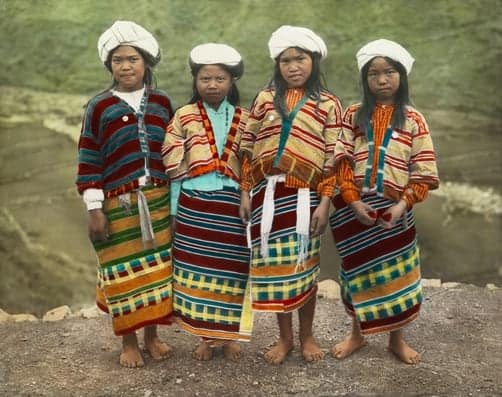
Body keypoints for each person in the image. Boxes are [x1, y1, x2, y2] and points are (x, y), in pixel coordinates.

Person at [329, 39, 439, 364]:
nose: (381, 80)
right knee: (355, 274)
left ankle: (396, 339)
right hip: (354, 211)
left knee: (397, 276)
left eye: (389, 72)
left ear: (401, 76)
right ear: (365, 79)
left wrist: (402, 205)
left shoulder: (414, 120)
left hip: (396, 210)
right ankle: (356, 335)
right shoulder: (352, 115)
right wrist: (351, 200)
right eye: (373, 74)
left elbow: (422, 172)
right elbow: (341, 161)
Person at [239, 25, 343, 364]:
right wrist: (244, 193)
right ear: (277, 64)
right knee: (275, 268)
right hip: (267, 194)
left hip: (306, 198)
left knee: (304, 266)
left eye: (300, 59)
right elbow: (247, 147)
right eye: (286, 60)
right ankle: (285, 339)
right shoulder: (264, 99)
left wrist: (325, 203)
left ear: (313, 61)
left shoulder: (328, 104)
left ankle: (308, 335)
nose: (293, 66)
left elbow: (333, 157)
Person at [76, 21, 175, 368]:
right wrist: (94, 208)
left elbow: (175, 152)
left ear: (146, 62)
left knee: (156, 272)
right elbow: (89, 156)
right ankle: (129, 340)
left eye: (133, 58)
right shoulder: (99, 107)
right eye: (118, 60)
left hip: (159, 200)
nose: (126, 66)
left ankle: (152, 336)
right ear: (109, 65)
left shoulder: (163, 103)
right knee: (121, 272)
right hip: (118, 204)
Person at [162, 43, 250, 361]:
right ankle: (205, 337)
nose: (212, 85)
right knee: (197, 273)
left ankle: (228, 337)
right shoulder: (183, 117)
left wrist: (245, 196)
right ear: (195, 81)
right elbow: (174, 170)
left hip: (231, 208)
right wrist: (175, 211)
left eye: (220, 79)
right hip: (194, 205)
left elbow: (250, 166)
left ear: (231, 82)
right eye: (205, 79)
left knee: (231, 273)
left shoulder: (244, 118)